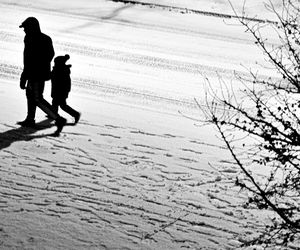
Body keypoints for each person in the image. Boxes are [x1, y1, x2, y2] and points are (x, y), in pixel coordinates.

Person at [18, 17, 66, 135]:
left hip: (36, 74)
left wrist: (30, 72)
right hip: (35, 73)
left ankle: (58, 119)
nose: (24, 30)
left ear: (31, 28)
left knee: (37, 98)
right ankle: (30, 119)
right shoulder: (33, 38)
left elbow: (42, 57)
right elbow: (30, 58)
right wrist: (26, 74)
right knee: (31, 95)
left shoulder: (39, 39)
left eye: (25, 28)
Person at [50, 54, 80, 124]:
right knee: (55, 103)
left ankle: (75, 114)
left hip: (61, 91)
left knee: (62, 105)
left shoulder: (60, 71)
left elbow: (54, 78)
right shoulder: (60, 70)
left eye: (56, 63)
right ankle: (53, 114)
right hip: (59, 90)